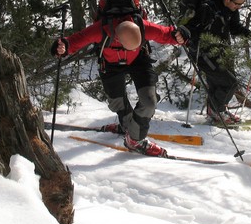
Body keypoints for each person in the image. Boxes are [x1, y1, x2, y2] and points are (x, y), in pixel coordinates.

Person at [52, 15, 189, 157]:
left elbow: (166, 33)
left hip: (139, 60)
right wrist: (62, 47)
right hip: (110, 63)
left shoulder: (143, 26)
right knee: (117, 101)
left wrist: (179, 35)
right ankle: (127, 125)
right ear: (117, 38)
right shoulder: (100, 29)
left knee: (149, 101)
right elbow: (76, 40)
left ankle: (134, 140)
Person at [185, 0, 251, 124]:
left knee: (218, 84)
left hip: (221, 52)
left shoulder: (231, 10)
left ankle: (215, 110)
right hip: (203, 53)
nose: (238, 7)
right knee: (230, 82)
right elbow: (192, 30)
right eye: (237, 4)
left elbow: (235, 28)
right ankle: (217, 111)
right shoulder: (207, 8)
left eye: (241, 4)